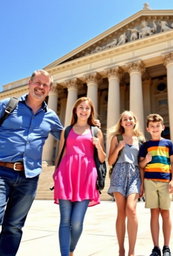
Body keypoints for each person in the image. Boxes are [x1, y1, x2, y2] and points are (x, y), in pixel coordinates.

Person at [0, 69, 63, 256]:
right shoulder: (7, 105)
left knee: (14, 227)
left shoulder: (51, 116)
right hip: (1, 171)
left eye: (45, 85)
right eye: (38, 83)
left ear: (49, 90)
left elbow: (70, 138)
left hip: (29, 177)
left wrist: (92, 129)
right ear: (29, 83)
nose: (41, 87)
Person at [53, 97, 106, 256]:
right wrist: (56, 174)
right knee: (65, 221)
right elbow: (60, 154)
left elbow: (102, 158)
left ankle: (70, 250)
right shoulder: (66, 130)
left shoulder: (96, 131)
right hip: (66, 175)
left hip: (86, 177)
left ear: (91, 112)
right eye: (80, 108)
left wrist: (97, 145)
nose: (83, 111)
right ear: (75, 110)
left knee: (76, 223)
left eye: (87, 108)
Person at [139, 113, 173, 256]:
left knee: (166, 213)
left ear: (163, 127)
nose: (155, 129)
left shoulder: (169, 144)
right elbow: (141, 165)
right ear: (148, 129)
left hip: (165, 181)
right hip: (149, 181)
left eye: (157, 126)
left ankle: (166, 247)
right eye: (152, 126)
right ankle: (156, 247)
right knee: (153, 213)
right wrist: (146, 161)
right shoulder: (145, 146)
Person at [108, 110, 144, 256]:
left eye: (130, 118)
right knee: (121, 214)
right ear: (121, 123)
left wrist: (143, 183)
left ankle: (132, 251)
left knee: (132, 209)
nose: (128, 121)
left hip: (135, 175)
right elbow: (110, 161)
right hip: (118, 174)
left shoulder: (141, 140)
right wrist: (118, 147)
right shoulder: (116, 138)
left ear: (134, 121)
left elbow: (142, 164)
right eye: (124, 119)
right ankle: (121, 249)